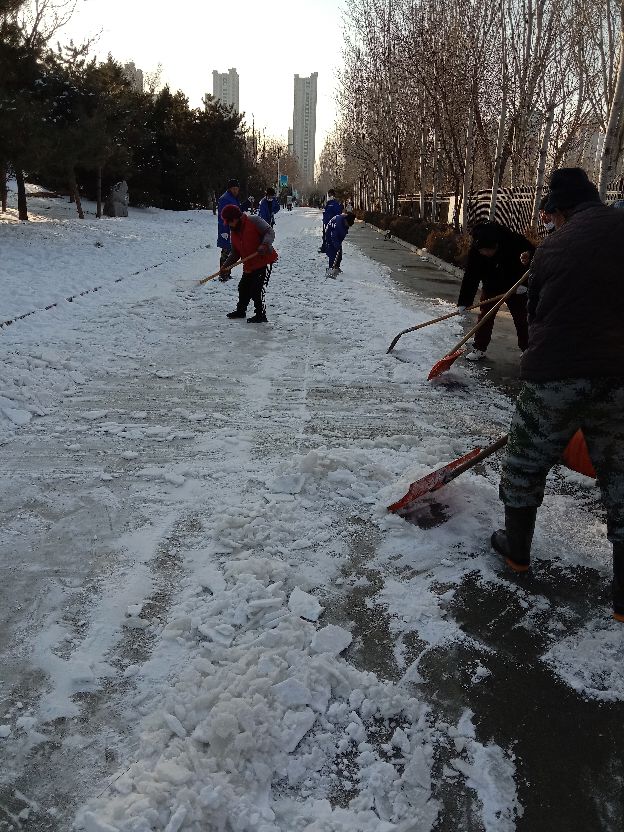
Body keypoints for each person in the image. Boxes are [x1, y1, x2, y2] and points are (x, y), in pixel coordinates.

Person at [491, 167, 624, 621]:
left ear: (562, 209)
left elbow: (537, 309)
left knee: (525, 461)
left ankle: (517, 552)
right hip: (619, 377)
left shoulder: (553, 247)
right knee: (621, 475)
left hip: (556, 373)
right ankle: (623, 598)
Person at [457, 221, 535, 361]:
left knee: (522, 318)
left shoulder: (514, 240)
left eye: (489, 250)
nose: (486, 254)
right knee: (485, 316)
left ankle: (528, 350)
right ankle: (479, 348)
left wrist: (525, 284)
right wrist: (464, 302)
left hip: (515, 285)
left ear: (497, 245)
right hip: (492, 284)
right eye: (483, 251)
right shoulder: (476, 250)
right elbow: (471, 276)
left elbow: (533, 257)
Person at [219, 204, 278, 323]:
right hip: (249, 264)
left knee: (256, 289)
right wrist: (225, 267)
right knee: (243, 287)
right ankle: (241, 311)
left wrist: (264, 244)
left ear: (235, 218)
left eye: (229, 221)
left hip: (264, 260)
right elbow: (235, 253)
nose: (228, 225)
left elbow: (270, 232)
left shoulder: (254, 221)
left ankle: (261, 314)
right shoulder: (234, 231)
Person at [217, 179, 243, 268]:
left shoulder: (233, 198)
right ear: (229, 189)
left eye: (237, 188)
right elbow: (222, 217)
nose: (235, 190)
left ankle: (226, 273)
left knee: (230, 252)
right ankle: (223, 274)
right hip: (226, 230)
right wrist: (224, 231)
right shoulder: (225, 199)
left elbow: (238, 211)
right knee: (226, 253)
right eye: (233, 189)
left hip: (233, 229)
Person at [324, 212, 355, 277]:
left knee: (339, 253)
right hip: (330, 235)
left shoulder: (345, 220)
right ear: (345, 221)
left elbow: (343, 232)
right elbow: (334, 236)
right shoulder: (338, 225)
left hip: (336, 236)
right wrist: (337, 245)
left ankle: (336, 267)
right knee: (333, 252)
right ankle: (331, 268)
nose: (347, 226)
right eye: (347, 225)